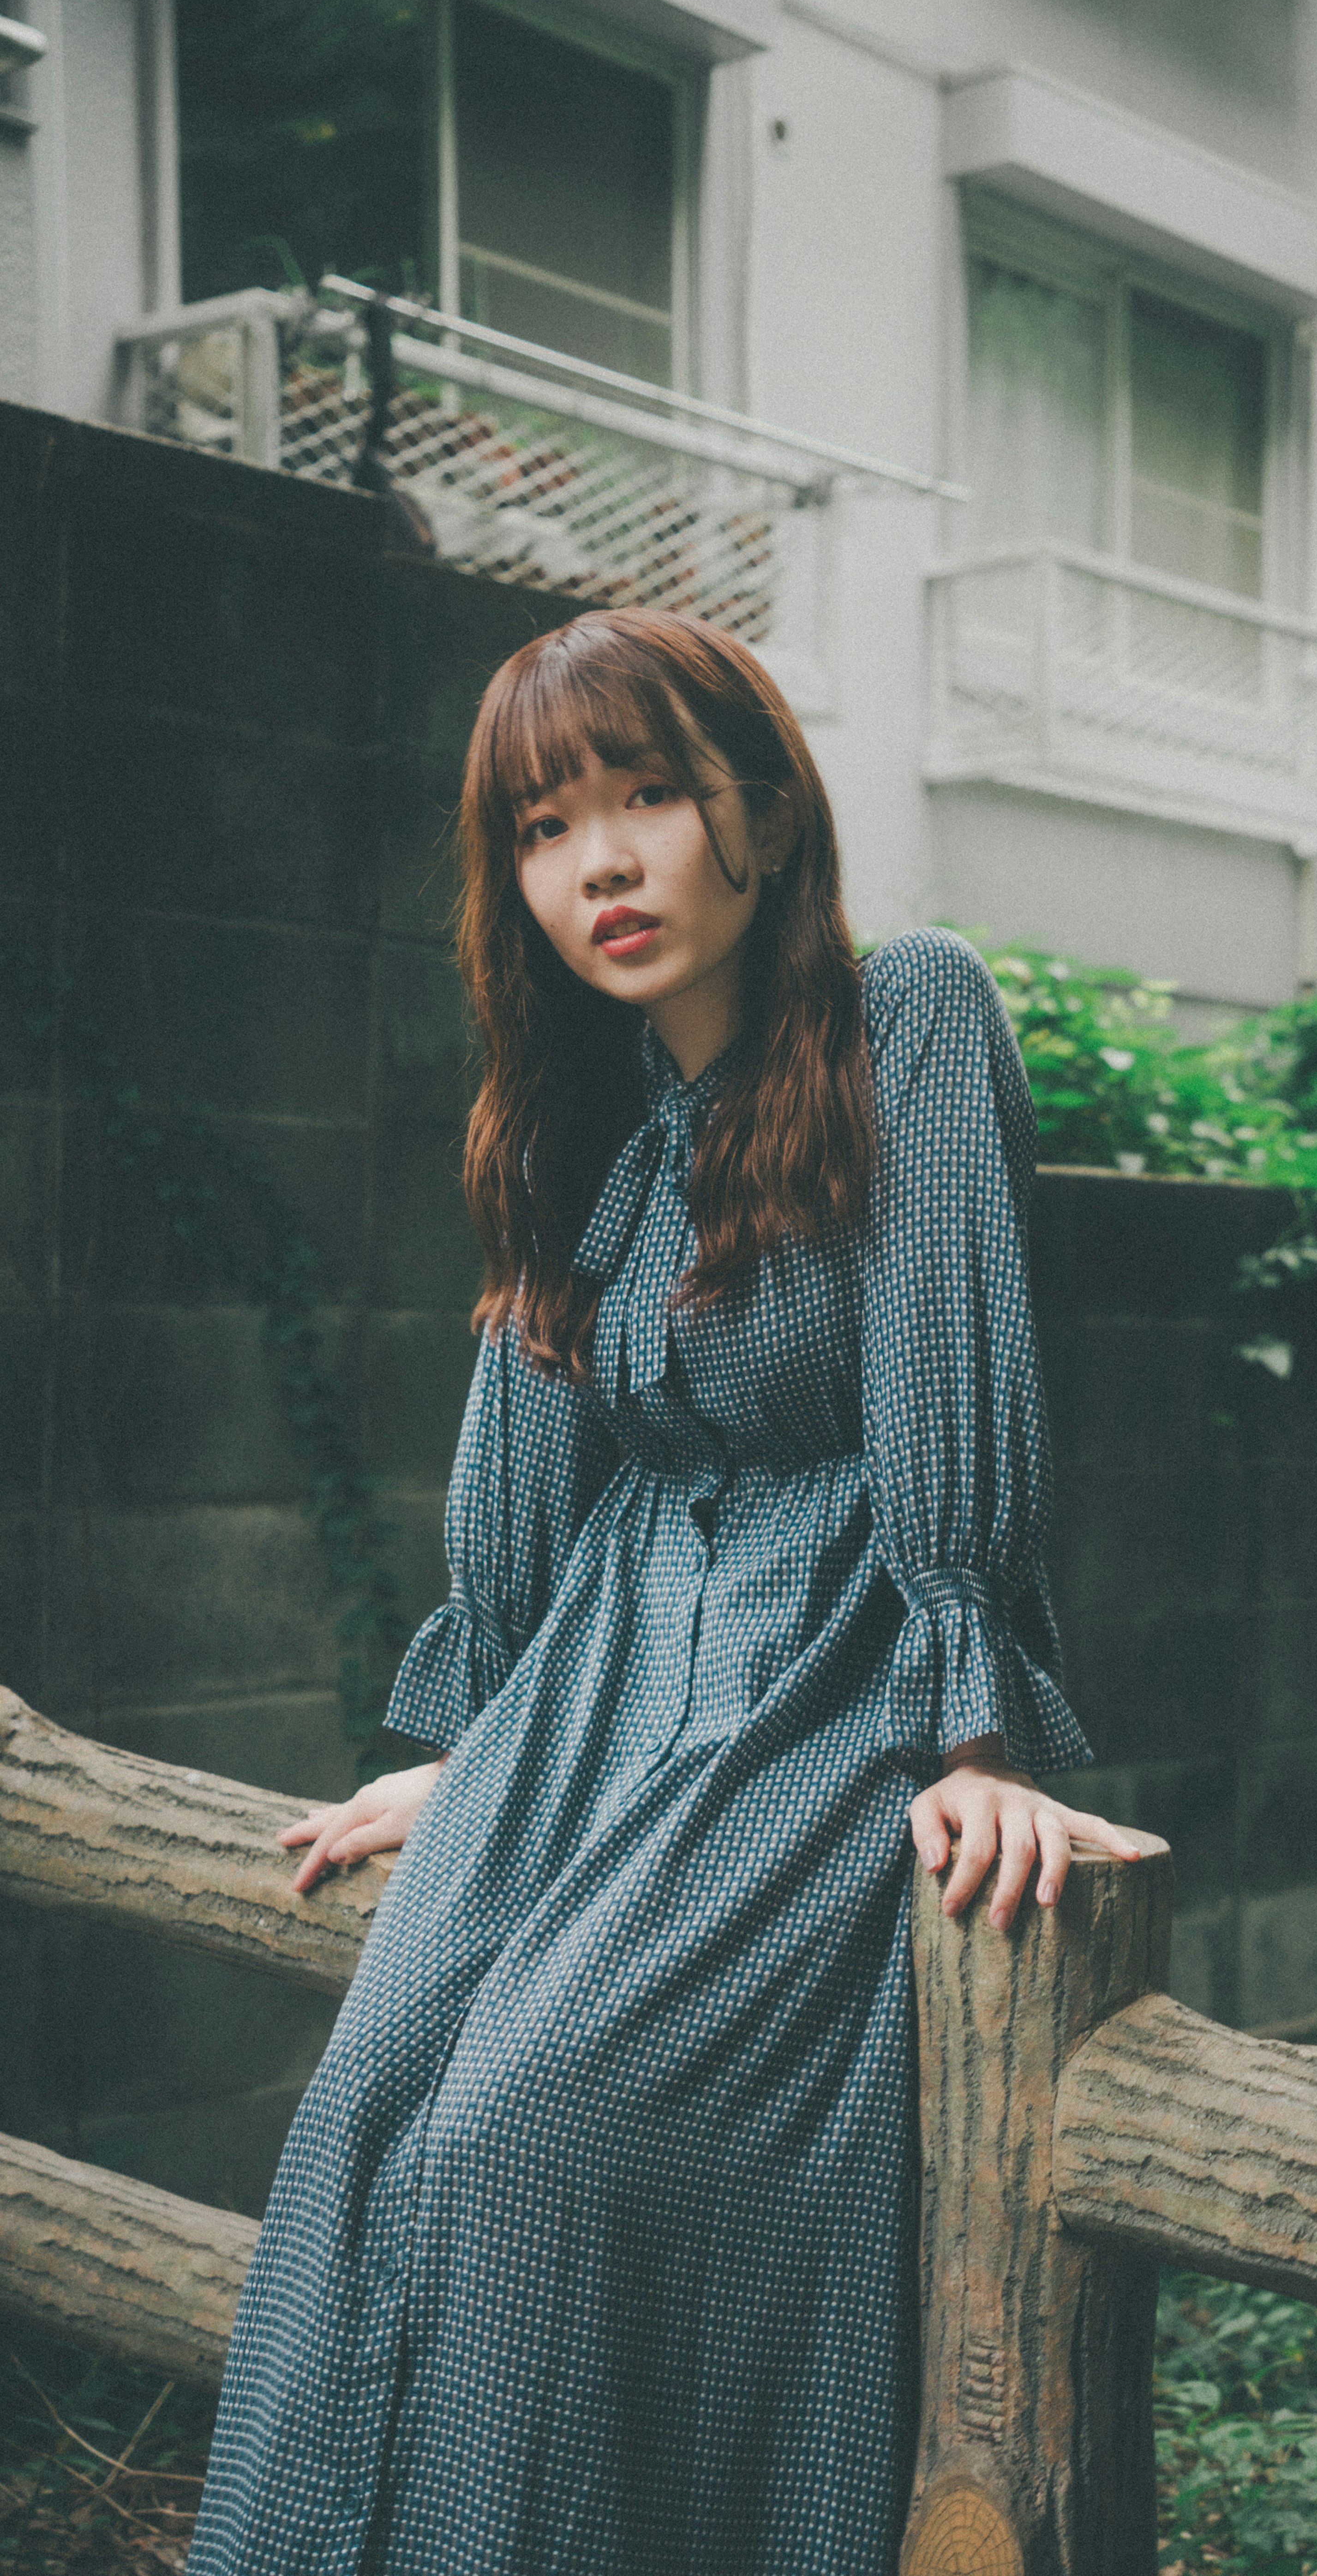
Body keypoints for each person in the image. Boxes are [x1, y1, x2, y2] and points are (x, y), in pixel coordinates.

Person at [185, 609, 1132, 2576]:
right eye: (544, 828)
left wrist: (977, 1723)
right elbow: (528, 1477)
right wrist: (476, 1747)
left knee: (535, 2137)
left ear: (763, 815)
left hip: (835, 1684)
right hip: (601, 1704)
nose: (599, 863)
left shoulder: (915, 1020)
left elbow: (955, 1373)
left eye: (649, 798)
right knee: (372, 2106)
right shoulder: (584, 1119)